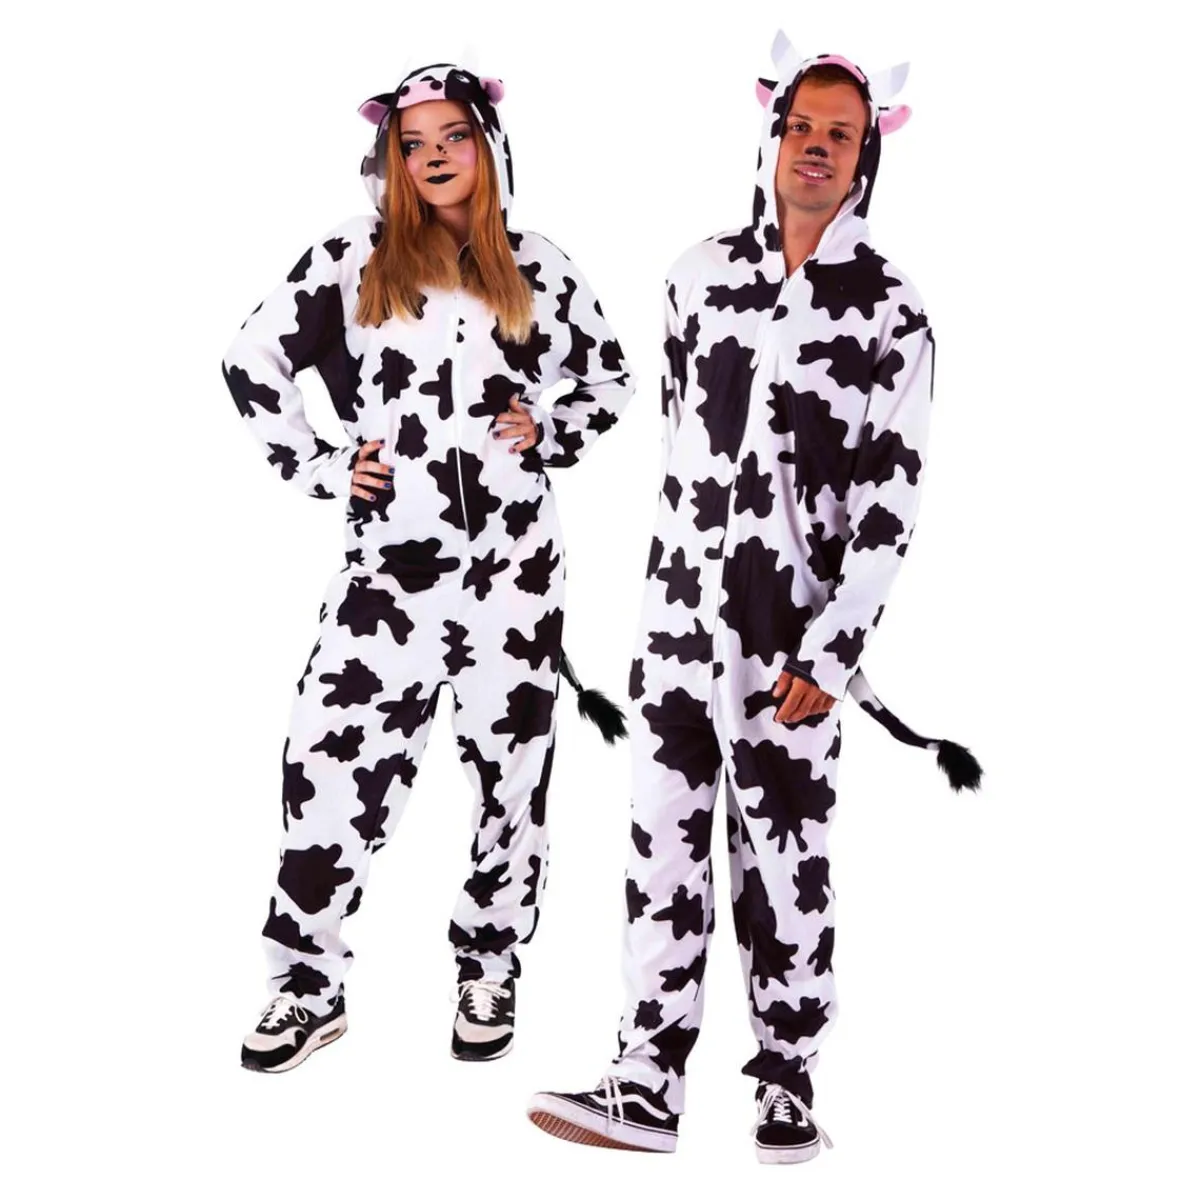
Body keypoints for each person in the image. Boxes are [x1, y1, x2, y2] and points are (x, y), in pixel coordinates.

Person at [527, 32, 980, 1163]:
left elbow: (890, 500)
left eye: (840, 135)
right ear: (773, 135)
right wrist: (658, 609)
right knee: (659, 854)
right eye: (802, 128)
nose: (816, 148)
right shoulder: (696, 276)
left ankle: (787, 1087)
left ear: (869, 152)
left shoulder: (892, 309)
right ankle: (644, 1084)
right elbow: (679, 445)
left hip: (792, 646)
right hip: (677, 627)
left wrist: (832, 651)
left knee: (785, 860)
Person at [221, 61, 634, 1073]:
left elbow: (610, 376)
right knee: (328, 767)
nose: (436, 156)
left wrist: (548, 429)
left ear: (488, 146)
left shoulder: (535, 264)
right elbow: (249, 360)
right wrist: (325, 466)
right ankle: (306, 984)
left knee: (511, 778)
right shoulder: (352, 259)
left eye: (454, 137)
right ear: (392, 160)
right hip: (388, 579)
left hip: (514, 577)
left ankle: (490, 963)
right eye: (416, 143)